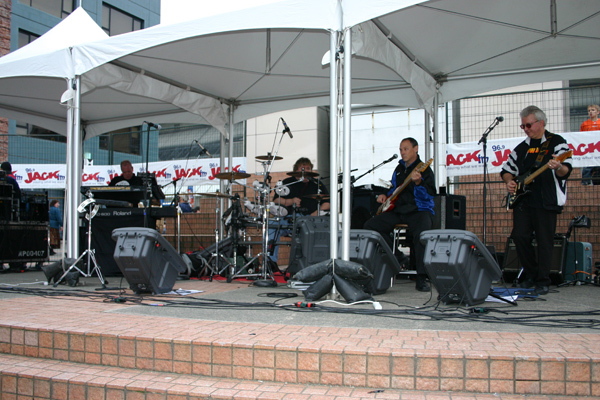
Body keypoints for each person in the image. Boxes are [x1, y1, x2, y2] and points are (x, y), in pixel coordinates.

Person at [501, 105, 572, 295]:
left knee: (545, 240)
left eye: (528, 125)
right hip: (524, 201)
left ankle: (543, 280)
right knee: (520, 236)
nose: (526, 129)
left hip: (546, 199)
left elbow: (566, 170)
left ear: (541, 123)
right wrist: (510, 182)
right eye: (523, 126)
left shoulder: (557, 142)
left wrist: (558, 166)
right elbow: (507, 171)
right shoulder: (522, 147)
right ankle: (531, 274)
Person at [364, 138, 435, 292]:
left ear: (416, 149)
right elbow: (394, 189)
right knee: (370, 226)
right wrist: (385, 196)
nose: (402, 152)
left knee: (422, 234)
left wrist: (418, 183)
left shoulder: (425, 170)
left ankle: (422, 276)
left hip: (418, 210)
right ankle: (395, 256)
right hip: (399, 210)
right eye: (401, 149)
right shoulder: (398, 169)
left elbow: (429, 195)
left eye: (406, 149)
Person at [268, 157, 330, 266]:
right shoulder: (287, 182)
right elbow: (276, 200)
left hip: (309, 220)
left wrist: (313, 215)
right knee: (271, 225)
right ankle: (270, 262)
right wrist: (290, 201)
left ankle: (313, 264)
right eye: (303, 168)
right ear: (296, 170)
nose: (306, 170)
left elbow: (328, 203)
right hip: (288, 219)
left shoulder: (317, 184)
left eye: (308, 168)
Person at [580, 104, 600, 185]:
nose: (590, 112)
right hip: (590, 148)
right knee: (587, 166)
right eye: (589, 111)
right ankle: (585, 182)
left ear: (598, 112)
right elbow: (581, 136)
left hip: (598, 148)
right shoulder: (585, 124)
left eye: (593, 110)